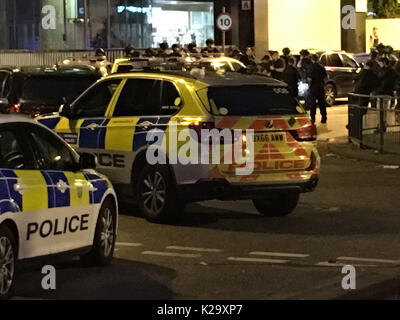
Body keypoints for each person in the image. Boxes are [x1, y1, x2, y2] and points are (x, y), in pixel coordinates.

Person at [308, 54, 328, 123]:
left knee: (313, 103)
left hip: (313, 87)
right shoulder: (322, 67)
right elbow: (325, 77)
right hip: (321, 87)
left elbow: (309, 78)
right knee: (322, 103)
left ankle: (313, 118)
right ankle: (324, 118)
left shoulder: (311, 67)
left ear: (312, 59)